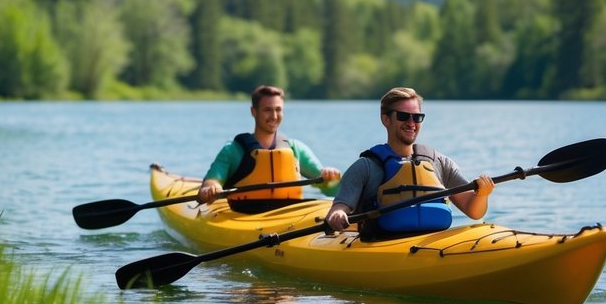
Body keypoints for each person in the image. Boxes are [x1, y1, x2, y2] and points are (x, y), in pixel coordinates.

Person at [324, 86, 495, 236]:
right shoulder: (366, 167)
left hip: (431, 244)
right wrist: (338, 214)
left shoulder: (440, 163)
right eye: (404, 116)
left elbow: (473, 211)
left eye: (417, 117)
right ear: (386, 119)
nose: (411, 123)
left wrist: (483, 194)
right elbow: (338, 209)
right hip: (381, 245)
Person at [197, 85, 341, 213]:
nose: (274, 116)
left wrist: (329, 176)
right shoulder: (233, 150)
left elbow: (328, 186)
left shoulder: (295, 148)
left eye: (278, 110)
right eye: (267, 110)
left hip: (289, 215)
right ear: (254, 111)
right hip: (244, 214)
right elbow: (212, 181)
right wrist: (212, 188)